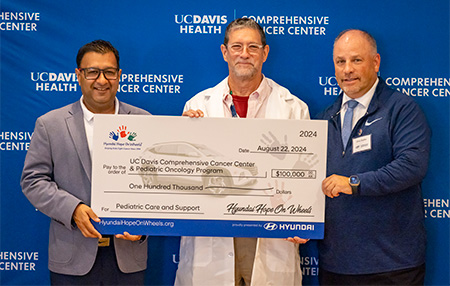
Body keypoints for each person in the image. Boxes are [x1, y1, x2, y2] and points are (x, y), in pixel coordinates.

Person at [175, 18, 310, 286]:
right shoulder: (197, 106)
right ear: (224, 52)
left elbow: (304, 175)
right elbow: (183, 180)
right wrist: (184, 133)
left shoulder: (293, 108)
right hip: (212, 236)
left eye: (253, 47)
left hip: (270, 236)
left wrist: (304, 218)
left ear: (265, 52)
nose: (244, 54)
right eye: (236, 46)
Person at [20, 40, 150, 285]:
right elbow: (33, 181)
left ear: (119, 75)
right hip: (72, 257)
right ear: (78, 75)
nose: (102, 80)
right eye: (92, 72)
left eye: (109, 72)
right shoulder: (51, 124)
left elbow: (156, 182)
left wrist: (143, 226)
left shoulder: (145, 121)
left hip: (127, 255)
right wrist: (73, 209)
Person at [317, 29, 430, 285]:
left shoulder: (402, 109)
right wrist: (295, 222)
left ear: (376, 62)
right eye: (340, 61)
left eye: (356, 60)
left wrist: (354, 183)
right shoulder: (326, 117)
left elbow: (412, 166)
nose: (347, 69)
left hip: (392, 266)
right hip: (336, 264)